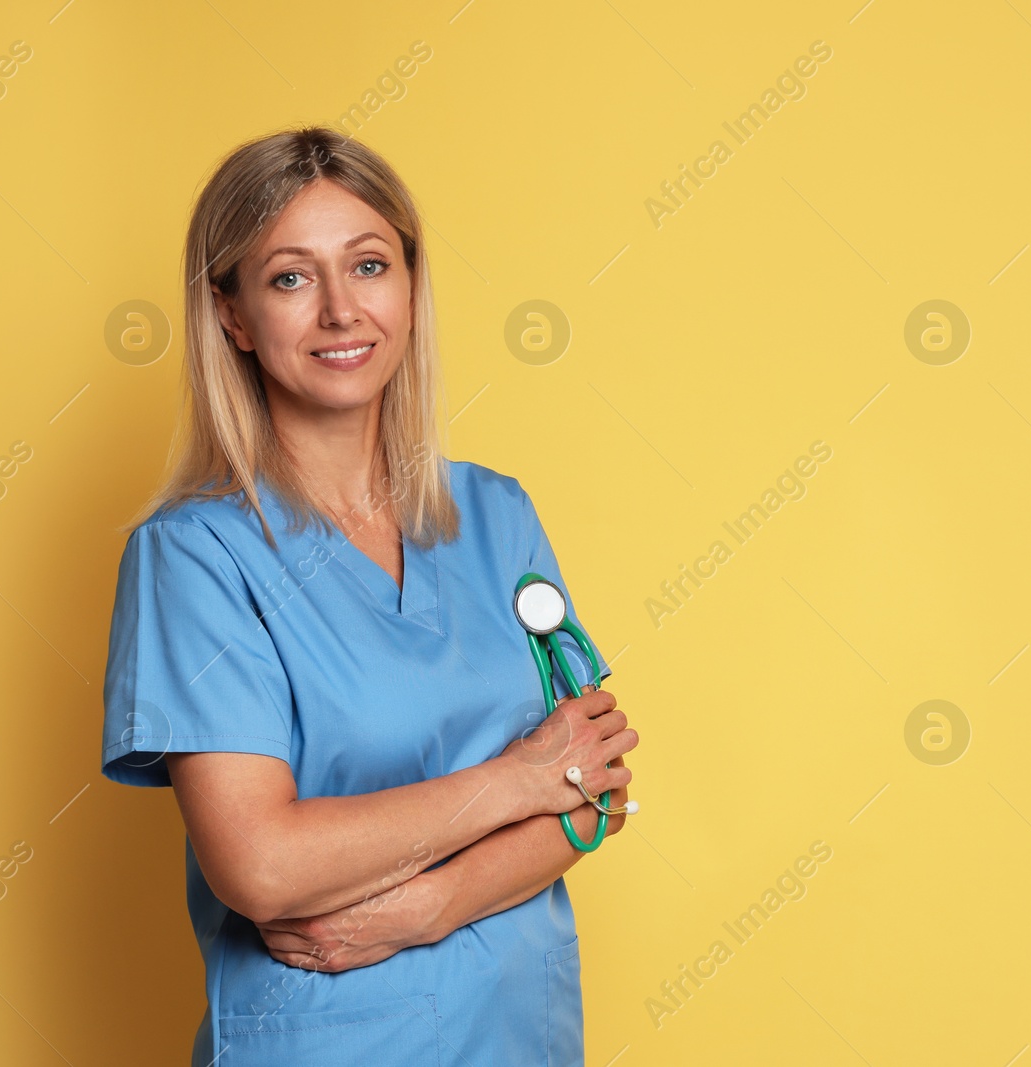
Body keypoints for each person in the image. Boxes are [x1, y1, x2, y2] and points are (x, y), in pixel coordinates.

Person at [98, 126, 637, 1066]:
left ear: (413, 287)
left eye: (371, 265)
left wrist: (432, 905)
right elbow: (262, 865)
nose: (343, 311)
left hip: (521, 1035)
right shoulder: (195, 557)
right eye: (292, 278)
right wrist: (515, 780)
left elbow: (596, 794)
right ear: (231, 314)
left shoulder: (495, 512)